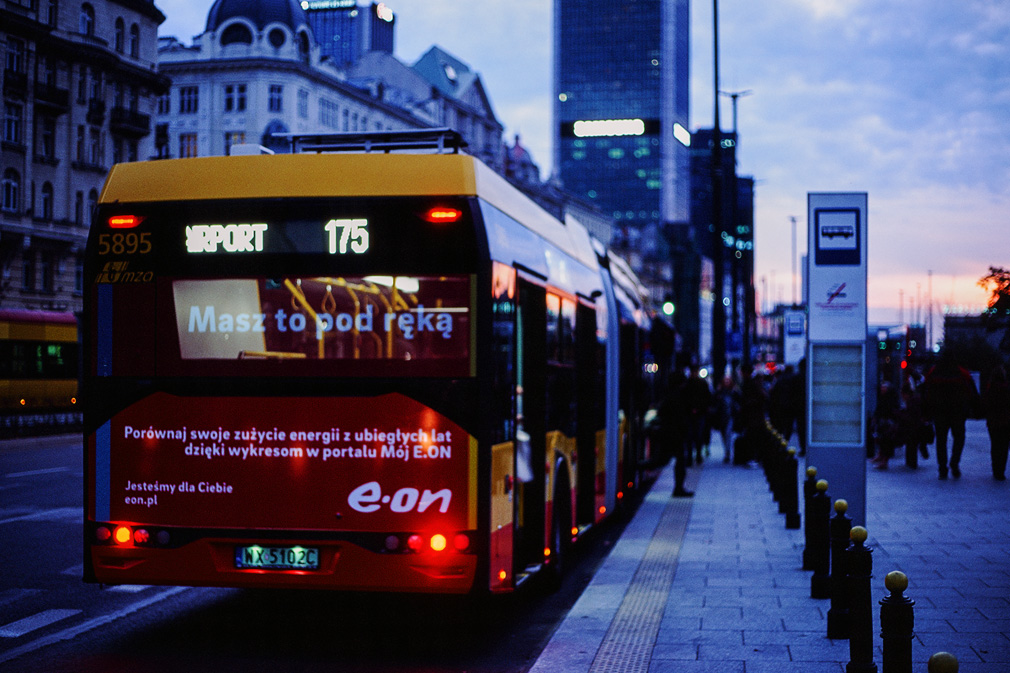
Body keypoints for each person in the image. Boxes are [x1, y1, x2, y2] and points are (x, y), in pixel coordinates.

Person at [921, 350, 980, 479]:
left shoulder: (934, 372)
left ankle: (942, 468)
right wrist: (975, 409)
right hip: (958, 411)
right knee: (959, 437)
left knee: (941, 440)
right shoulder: (962, 373)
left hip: (940, 412)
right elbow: (972, 393)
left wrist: (926, 411)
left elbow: (926, 392)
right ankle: (954, 462)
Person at [657, 370, 692, 497]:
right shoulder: (678, 396)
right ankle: (678, 488)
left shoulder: (668, 395)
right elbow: (680, 416)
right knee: (680, 462)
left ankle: (679, 488)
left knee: (676, 461)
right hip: (676, 433)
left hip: (671, 432)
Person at [982, 364, 1010, 481]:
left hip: (993, 421)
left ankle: (996, 469)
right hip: (1006, 421)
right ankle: (1001, 470)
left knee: (995, 445)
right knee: (1004, 447)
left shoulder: (990, 388)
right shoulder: (1007, 388)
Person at [682, 364, 713, 465]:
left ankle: (696, 455)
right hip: (693, 413)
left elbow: (707, 398)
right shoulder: (690, 384)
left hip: (697, 413)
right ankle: (694, 456)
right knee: (692, 435)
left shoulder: (692, 384)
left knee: (696, 435)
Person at [871, 380, 902, 470]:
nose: (882, 389)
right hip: (884, 421)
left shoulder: (889, 399)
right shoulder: (884, 398)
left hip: (888, 422)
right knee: (881, 439)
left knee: (886, 441)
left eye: (884, 388)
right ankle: (881, 456)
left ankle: (884, 460)